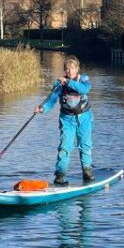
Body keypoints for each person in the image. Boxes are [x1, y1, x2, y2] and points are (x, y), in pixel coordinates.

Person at [35, 55, 94, 186]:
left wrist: (68, 82)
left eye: (72, 69)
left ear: (77, 69)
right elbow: (51, 100)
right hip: (67, 119)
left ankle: (87, 172)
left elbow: (84, 90)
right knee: (65, 147)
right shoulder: (59, 84)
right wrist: (42, 108)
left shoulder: (84, 81)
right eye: (67, 69)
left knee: (85, 145)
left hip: (84, 118)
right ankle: (60, 175)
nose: (70, 72)